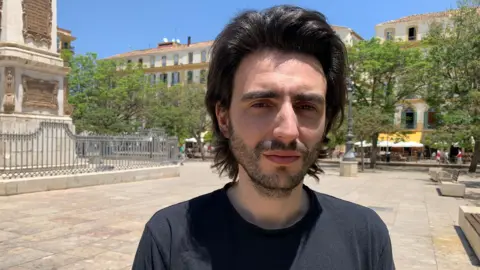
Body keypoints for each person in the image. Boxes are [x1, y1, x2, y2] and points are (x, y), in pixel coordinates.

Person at [132, 5, 395, 270]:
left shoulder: (366, 237)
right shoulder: (166, 239)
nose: (288, 131)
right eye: (261, 104)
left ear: (326, 121)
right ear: (224, 119)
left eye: (306, 107)